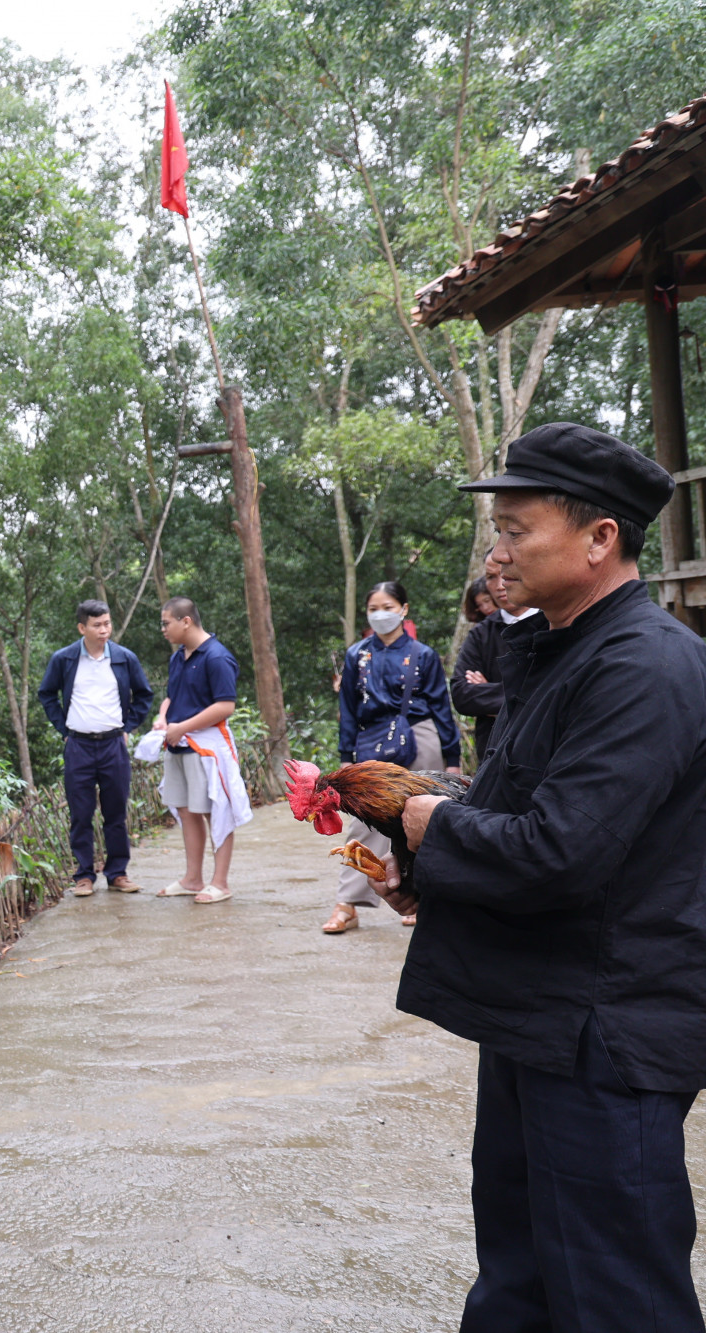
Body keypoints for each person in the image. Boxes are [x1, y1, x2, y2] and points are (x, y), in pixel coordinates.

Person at [367, 421, 706, 1332]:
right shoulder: (562, 649)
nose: (498, 551)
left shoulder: (645, 665)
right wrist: (430, 869)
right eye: (498, 529)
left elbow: (561, 849)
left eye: (518, 529)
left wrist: (431, 822)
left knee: (613, 1289)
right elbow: (519, 811)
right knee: (517, 1273)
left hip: (607, 1027)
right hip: (539, 1015)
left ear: (600, 540)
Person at [323, 581, 462, 935]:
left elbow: (440, 707)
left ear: (403, 609)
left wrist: (452, 757)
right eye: (373, 609)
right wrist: (345, 756)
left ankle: (420, 895)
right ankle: (347, 903)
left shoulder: (423, 654)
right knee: (363, 822)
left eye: (387, 606)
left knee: (426, 816)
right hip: (372, 739)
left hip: (420, 734)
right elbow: (349, 710)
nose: (380, 614)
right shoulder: (357, 654)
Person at [36, 599, 155, 896]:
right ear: (82, 627)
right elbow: (47, 693)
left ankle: (117, 873)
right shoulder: (64, 659)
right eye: (97, 625)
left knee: (115, 812)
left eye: (107, 624)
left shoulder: (124, 658)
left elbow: (144, 694)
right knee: (81, 812)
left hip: (114, 744)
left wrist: (128, 728)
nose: (104, 630)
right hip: (78, 745)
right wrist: (63, 729)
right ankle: (84, 876)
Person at [152, 597, 242, 904]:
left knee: (215, 811)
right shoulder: (178, 656)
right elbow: (171, 697)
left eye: (166, 623)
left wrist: (184, 726)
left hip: (207, 747)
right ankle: (193, 878)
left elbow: (225, 705)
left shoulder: (216, 657)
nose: (162, 629)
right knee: (187, 811)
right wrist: (164, 718)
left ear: (185, 621)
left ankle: (221, 882)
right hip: (177, 744)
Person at [450, 559, 540, 766]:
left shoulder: (555, 622)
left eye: (507, 572)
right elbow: (462, 695)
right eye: (491, 577)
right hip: (493, 753)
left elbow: (560, 689)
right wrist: (529, 699)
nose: (500, 584)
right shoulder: (480, 635)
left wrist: (488, 693)